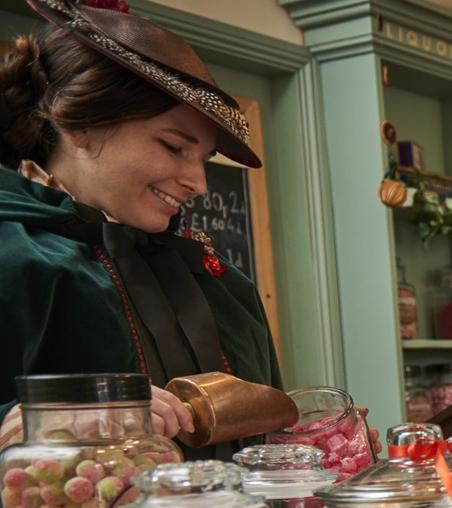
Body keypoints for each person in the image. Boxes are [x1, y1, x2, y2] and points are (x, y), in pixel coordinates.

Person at [0, 0, 277, 452]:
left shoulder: (223, 285)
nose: (199, 183)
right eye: (173, 147)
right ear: (81, 127)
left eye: (204, 160)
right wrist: (57, 419)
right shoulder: (10, 260)